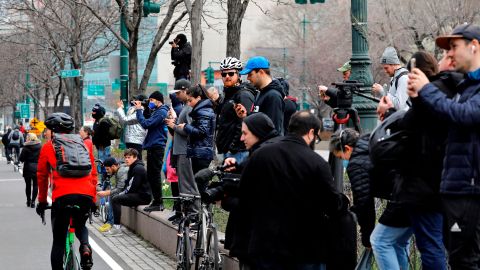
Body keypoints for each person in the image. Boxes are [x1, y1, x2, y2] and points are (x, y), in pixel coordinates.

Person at [407, 23, 480, 269]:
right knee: (460, 258)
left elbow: (465, 115)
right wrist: (419, 100)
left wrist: (427, 89)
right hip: (457, 189)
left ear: (474, 46)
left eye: (454, 46)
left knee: (465, 260)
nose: (450, 54)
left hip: (469, 190)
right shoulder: (465, 86)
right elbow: (440, 123)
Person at [237, 111, 349, 270]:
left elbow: (244, 195)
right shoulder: (317, 162)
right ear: (311, 133)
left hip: (265, 245)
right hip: (304, 248)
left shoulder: (259, 155)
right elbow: (331, 204)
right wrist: (343, 201)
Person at [330, 128, 413, 270]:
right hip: (415, 193)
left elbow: (363, 202)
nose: (343, 160)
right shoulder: (371, 142)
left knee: (380, 241)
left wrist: (367, 236)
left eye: (340, 156)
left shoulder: (356, 163)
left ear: (347, 149)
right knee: (399, 243)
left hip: (403, 197)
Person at [217, 113, 280, 268]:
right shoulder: (265, 149)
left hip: (256, 240)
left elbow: (255, 201)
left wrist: (225, 200)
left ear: (258, 132)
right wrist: (238, 167)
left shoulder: (263, 155)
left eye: (245, 133)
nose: (241, 138)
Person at [36, 113, 97, 270]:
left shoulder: (49, 147)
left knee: (58, 241)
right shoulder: (83, 144)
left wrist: (42, 201)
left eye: (48, 130)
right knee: (80, 223)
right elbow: (93, 173)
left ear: (54, 130)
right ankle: (85, 247)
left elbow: (42, 177)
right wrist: (93, 199)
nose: (45, 133)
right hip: (85, 195)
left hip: (62, 197)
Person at [165, 79, 200, 222]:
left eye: (179, 93)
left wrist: (174, 126)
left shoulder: (189, 108)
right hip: (180, 151)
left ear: (186, 91)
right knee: (183, 185)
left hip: (185, 151)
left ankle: (193, 216)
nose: (177, 96)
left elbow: (190, 131)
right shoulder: (186, 107)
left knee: (187, 185)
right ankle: (188, 214)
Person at [215, 57, 256, 165]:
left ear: (238, 75)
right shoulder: (228, 95)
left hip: (238, 152)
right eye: (224, 74)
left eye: (231, 73)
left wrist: (232, 147)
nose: (227, 77)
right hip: (226, 150)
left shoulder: (243, 95)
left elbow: (244, 122)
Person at [134, 90, 169, 212]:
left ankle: (158, 202)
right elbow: (149, 118)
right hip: (153, 146)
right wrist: (145, 108)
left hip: (157, 147)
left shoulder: (161, 112)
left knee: (154, 175)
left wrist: (139, 110)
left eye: (152, 100)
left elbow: (146, 124)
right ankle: (156, 200)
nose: (150, 102)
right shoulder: (157, 111)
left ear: (158, 101)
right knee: (151, 175)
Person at [105, 148, 151, 236]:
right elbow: (128, 185)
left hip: (143, 197)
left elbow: (132, 187)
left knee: (116, 199)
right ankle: (115, 225)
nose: (126, 159)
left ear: (135, 157)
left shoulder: (138, 169)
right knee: (116, 197)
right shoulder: (133, 167)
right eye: (125, 157)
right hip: (137, 194)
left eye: (129, 157)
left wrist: (121, 194)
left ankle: (117, 228)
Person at [236, 56, 286, 135]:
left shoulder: (273, 96)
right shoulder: (260, 93)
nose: (248, 78)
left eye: (250, 74)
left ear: (261, 72)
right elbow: (258, 123)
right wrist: (246, 116)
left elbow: (273, 132)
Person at [177, 84, 216, 182]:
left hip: (201, 153)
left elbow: (201, 132)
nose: (189, 104)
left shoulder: (203, 111)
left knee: (200, 183)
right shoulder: (203, 110)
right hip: (200, 151)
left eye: (190, 101)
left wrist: (186, 126)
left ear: (198, 98)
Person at [372, 47, 409, 115]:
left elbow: (399, 106)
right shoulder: (395, 78)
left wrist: (381, 91)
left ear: (394, 64)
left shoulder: (403, 78)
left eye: (386, 68)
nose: (385, 71)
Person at [97, 157, 128, 233]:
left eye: (108, 169)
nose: (107, 172)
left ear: (113, 166)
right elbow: (116, 187)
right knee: (112, 195)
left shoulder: (121, 171)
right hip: (128, 190)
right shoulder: (117, 171)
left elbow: (120, 189)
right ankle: (111, 222)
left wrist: (106, 193)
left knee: (114, 197)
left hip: (137, 193)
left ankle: (114, 224)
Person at [116, 95, 147, 160]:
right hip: (130, 139)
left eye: (135, 101)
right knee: (130, 160)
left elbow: (125, 120)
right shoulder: (132, 110)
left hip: (136, 140)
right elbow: (123, 122)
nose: (133, 102)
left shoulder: (140, 111)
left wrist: (120, 108)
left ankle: (139, 170)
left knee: (137, 160)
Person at [18, 133, 41, 208]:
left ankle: (28, 200)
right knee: (35, 184)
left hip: (28, 167)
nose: (26, 139)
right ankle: (33, 202)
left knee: (28, 185)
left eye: (27, 137)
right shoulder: (40, 146)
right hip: (37, 167)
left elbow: (21, 159)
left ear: (29, 138)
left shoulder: (26, 147)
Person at [91, 103, 111, 174]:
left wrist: (101, 144)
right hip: (100, 146)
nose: (92, 113)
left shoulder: (103, 122)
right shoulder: (97, 121)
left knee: (104, 163)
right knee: (101, 162)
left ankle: (105, 177)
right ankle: (103, 176)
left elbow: (105, 135)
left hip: (103, 146)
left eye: (94, 112)